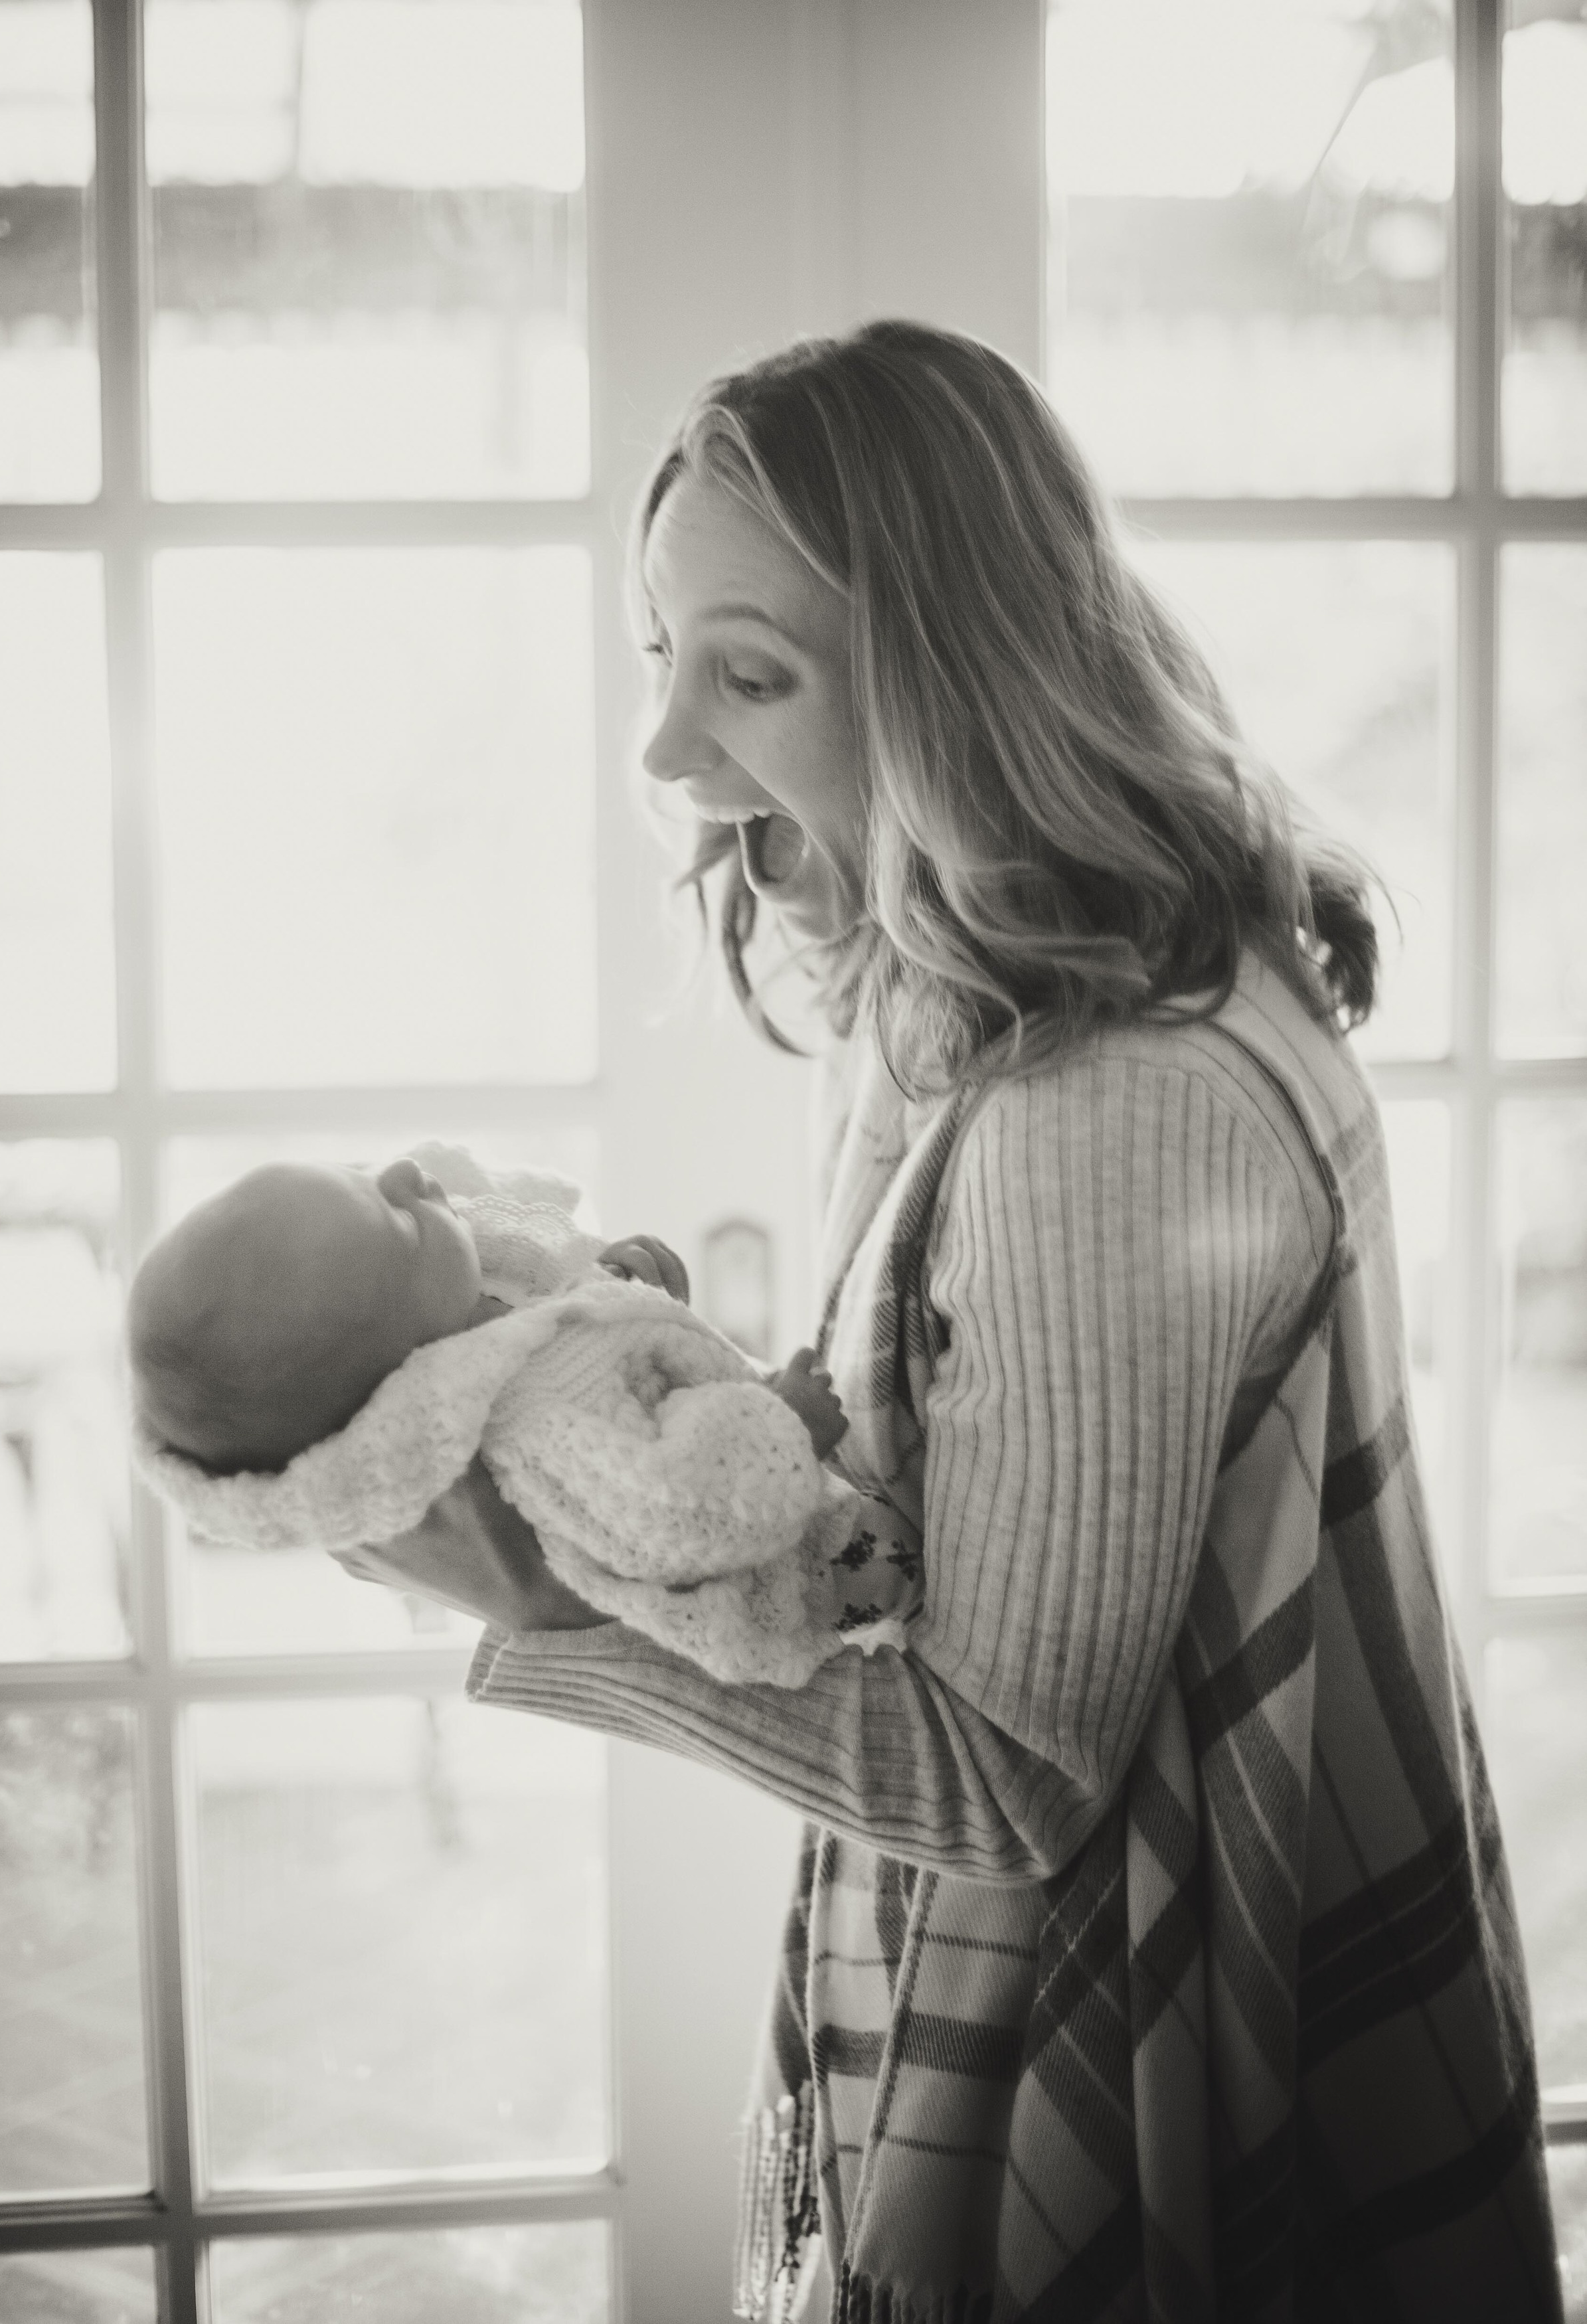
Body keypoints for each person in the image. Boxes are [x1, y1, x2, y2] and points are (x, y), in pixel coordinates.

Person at [332, 322, 1562, 2321]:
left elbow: (1007, 1775)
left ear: (950, 679)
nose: (662, 747)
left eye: (749, 673)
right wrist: (682, 1391)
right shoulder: (985, 982)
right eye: (660, 652)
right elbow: (960, 1478)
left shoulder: (1112, 1105)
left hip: (1130, 2026)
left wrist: (533, 1597)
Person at [127, 1148, 914, 1685]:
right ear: (400, 1357)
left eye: (362, 1173)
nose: (404, 1170)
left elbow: (573, 1318)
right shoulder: (527, 1419)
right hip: (804, 1553)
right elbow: (678, 1502)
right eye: (392, 1218)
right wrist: (785, 1426)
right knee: (905, 1555)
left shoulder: (475, 1308)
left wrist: (616, 1281)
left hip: (779, 1451)